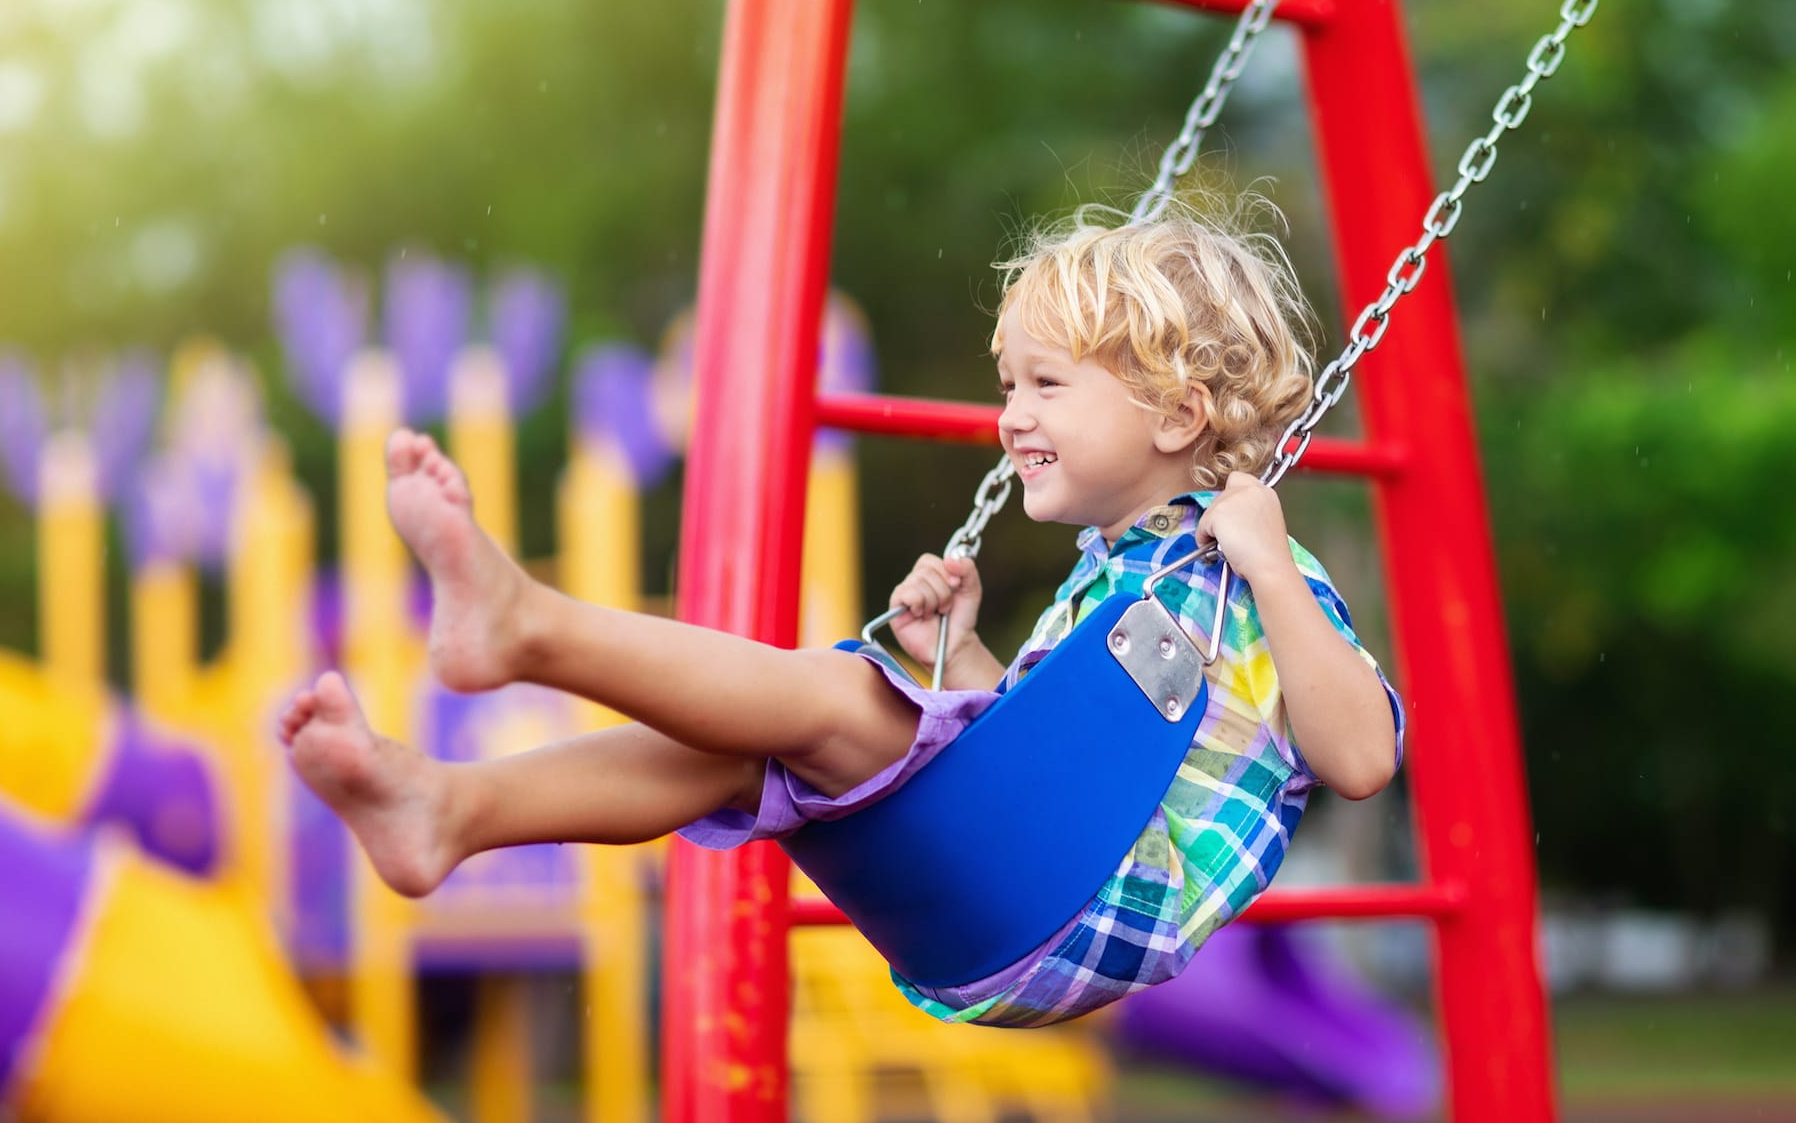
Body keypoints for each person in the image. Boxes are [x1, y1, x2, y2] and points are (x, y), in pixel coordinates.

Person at [280, 205, 1405, 1028]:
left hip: (1075, 907)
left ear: (1178, 416)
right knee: (743, 756)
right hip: (1004, 896)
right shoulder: (1112, 573)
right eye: (1006, 384)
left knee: (833, 695)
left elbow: (1359, 756)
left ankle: (527, 626)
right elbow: (1052, 760)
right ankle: (452, 809)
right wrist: (959, 654)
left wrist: (1270, 568)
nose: (1009, 417)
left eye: (1044, 387)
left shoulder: (1250, 573)